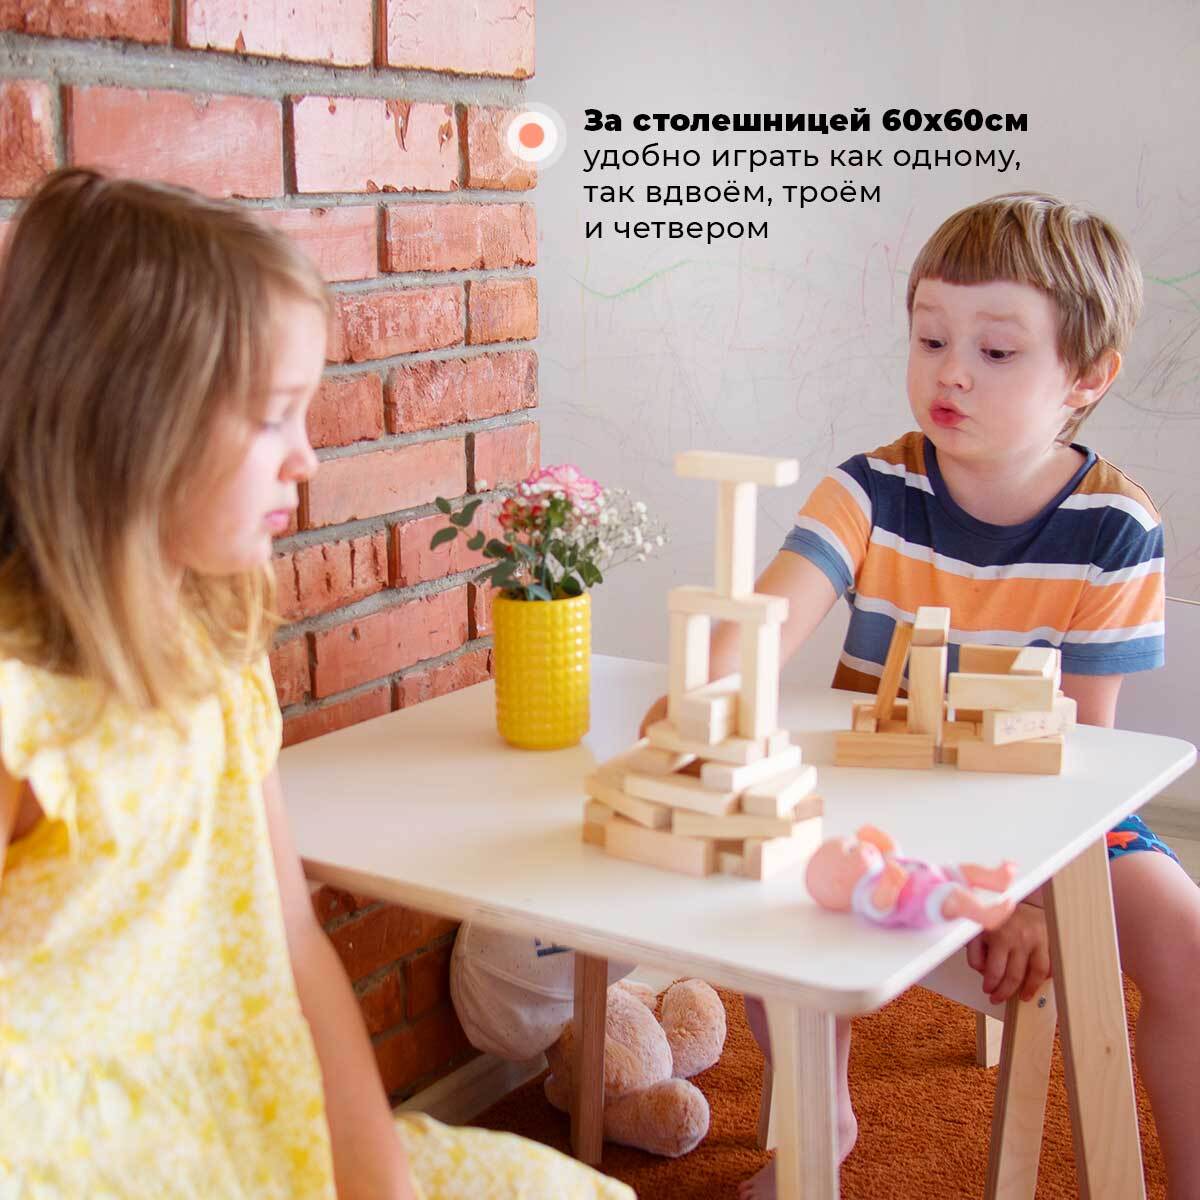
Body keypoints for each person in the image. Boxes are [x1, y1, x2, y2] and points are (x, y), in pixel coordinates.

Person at [0, 167, 632, 1200]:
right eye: (272, 417)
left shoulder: (218, 655)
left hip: (249, 1131)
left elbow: (292, 940)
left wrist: (381, 1182)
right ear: (128, 425)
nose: (307, 459)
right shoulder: (19, 708)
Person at [640, 192, 1200, 1199]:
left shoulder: (1117, 525)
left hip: (1054, 816)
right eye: (931, 338)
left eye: (997, 351)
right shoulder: (868, 490)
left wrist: (1029, 895)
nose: (951, 372)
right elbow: (763, 621)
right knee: (763, 888)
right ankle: (821, 1122)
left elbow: (1088, 756)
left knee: (1191, 948)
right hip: (874, 802)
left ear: (1086, 378)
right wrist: (701, 698)